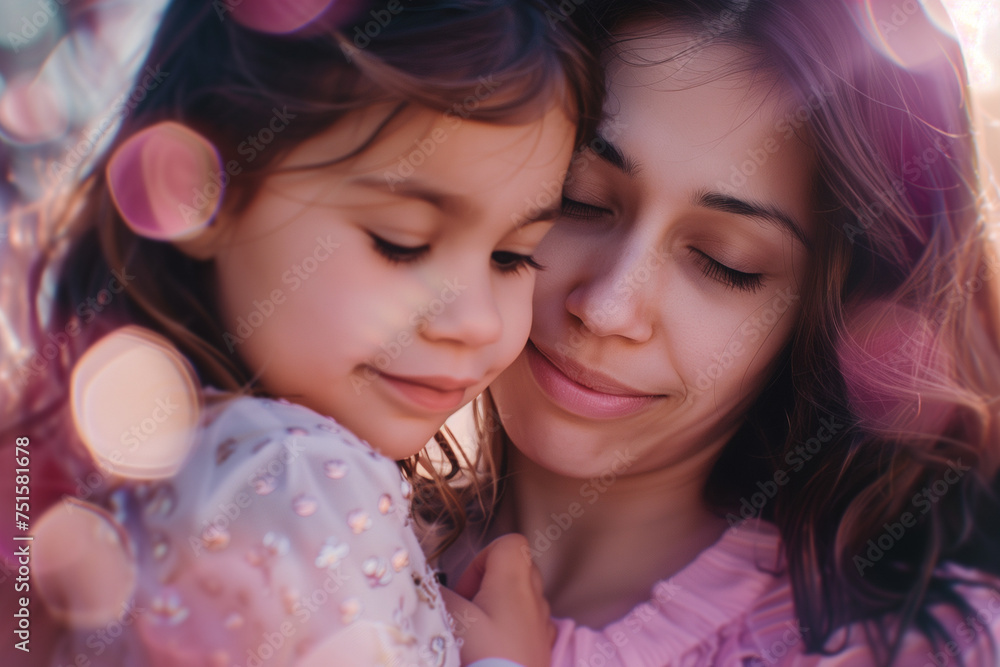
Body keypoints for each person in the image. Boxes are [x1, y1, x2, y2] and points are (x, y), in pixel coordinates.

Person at [1, 0, 604, 665]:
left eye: (513, 256)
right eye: (402, 243)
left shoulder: (115, 465)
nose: (478, 321)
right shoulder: (298, 473)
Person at [439, 0, 1000, 664]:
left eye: (726, 262)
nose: (609, 306)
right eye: (579, 197)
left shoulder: (914, 648)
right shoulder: (325, 510)